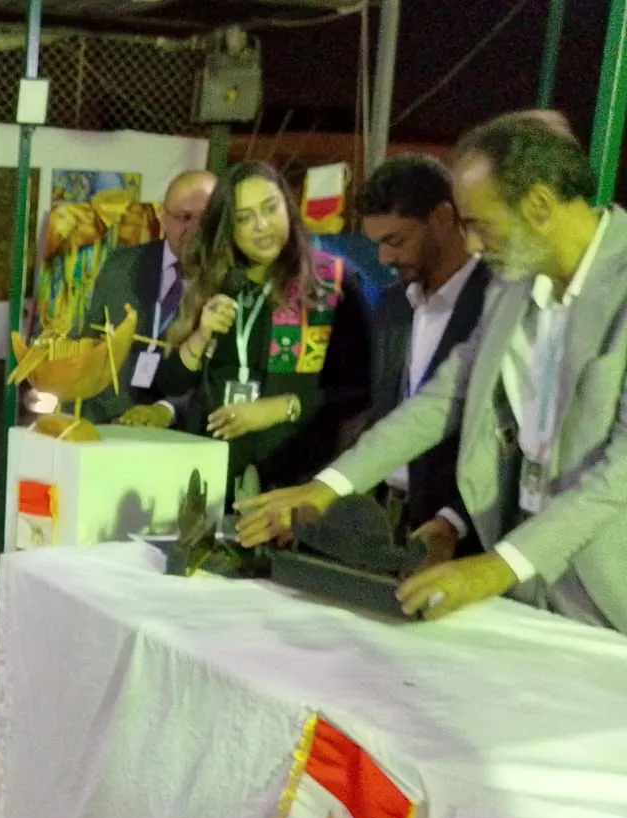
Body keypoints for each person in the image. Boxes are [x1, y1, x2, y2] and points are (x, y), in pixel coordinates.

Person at [238, 112, 627, 632]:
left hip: (607, 599)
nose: (472, 245)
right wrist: (329, 486)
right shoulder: (512, 283)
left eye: (480, 224)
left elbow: (618, 475)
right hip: (523, 587)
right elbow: (445, 396)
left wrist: (497, 566)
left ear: (538, 204)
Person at [152, 161, 372, 503]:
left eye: (270, 208)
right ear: (229, 227)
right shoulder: (216, 281)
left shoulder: (332, 282)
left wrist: (279, 408)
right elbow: (171, 383)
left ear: (289, 209)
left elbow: (359, 390)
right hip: (211, 476)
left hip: (293, 479)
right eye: (244, 217)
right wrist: (200, 336)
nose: (261, 225)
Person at [357, 155, 490, 561]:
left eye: (395, 241)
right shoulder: (392, 306)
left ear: (443, 217)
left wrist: (454, 521)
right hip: (387, 522)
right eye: (378, 244)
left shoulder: (497, 304)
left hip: (464, 539)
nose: (384, 258)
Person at [85, 168, 217, 427]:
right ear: (162, 216)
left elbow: (218, 377)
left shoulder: (229, 281)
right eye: (185, 217)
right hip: (105, 422)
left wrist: (166, 409)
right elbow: (89, 338)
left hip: (179, 431)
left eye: (207, 219)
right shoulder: (121, 265)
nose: (195, 229)